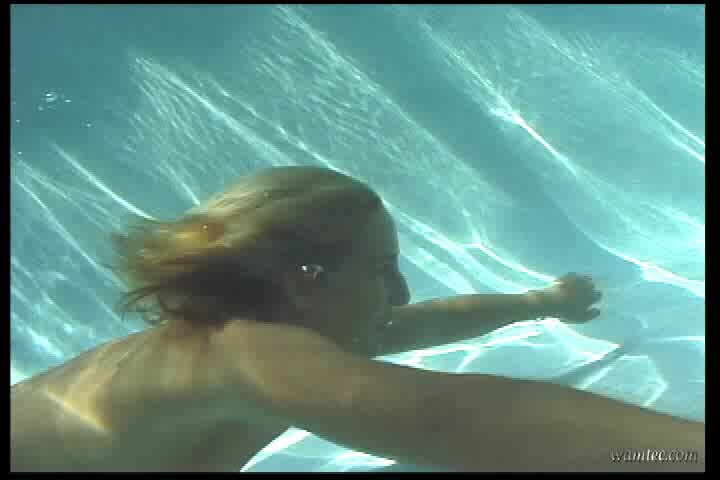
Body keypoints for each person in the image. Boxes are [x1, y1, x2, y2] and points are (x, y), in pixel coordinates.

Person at [10, 166, 704, 472]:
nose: (399, 292)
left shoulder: (269, 335)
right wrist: (681, 454)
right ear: (304, 280)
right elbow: (449, 419)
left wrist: (538, 304)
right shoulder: (247, 353)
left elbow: (430, 322)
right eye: (382, 269)